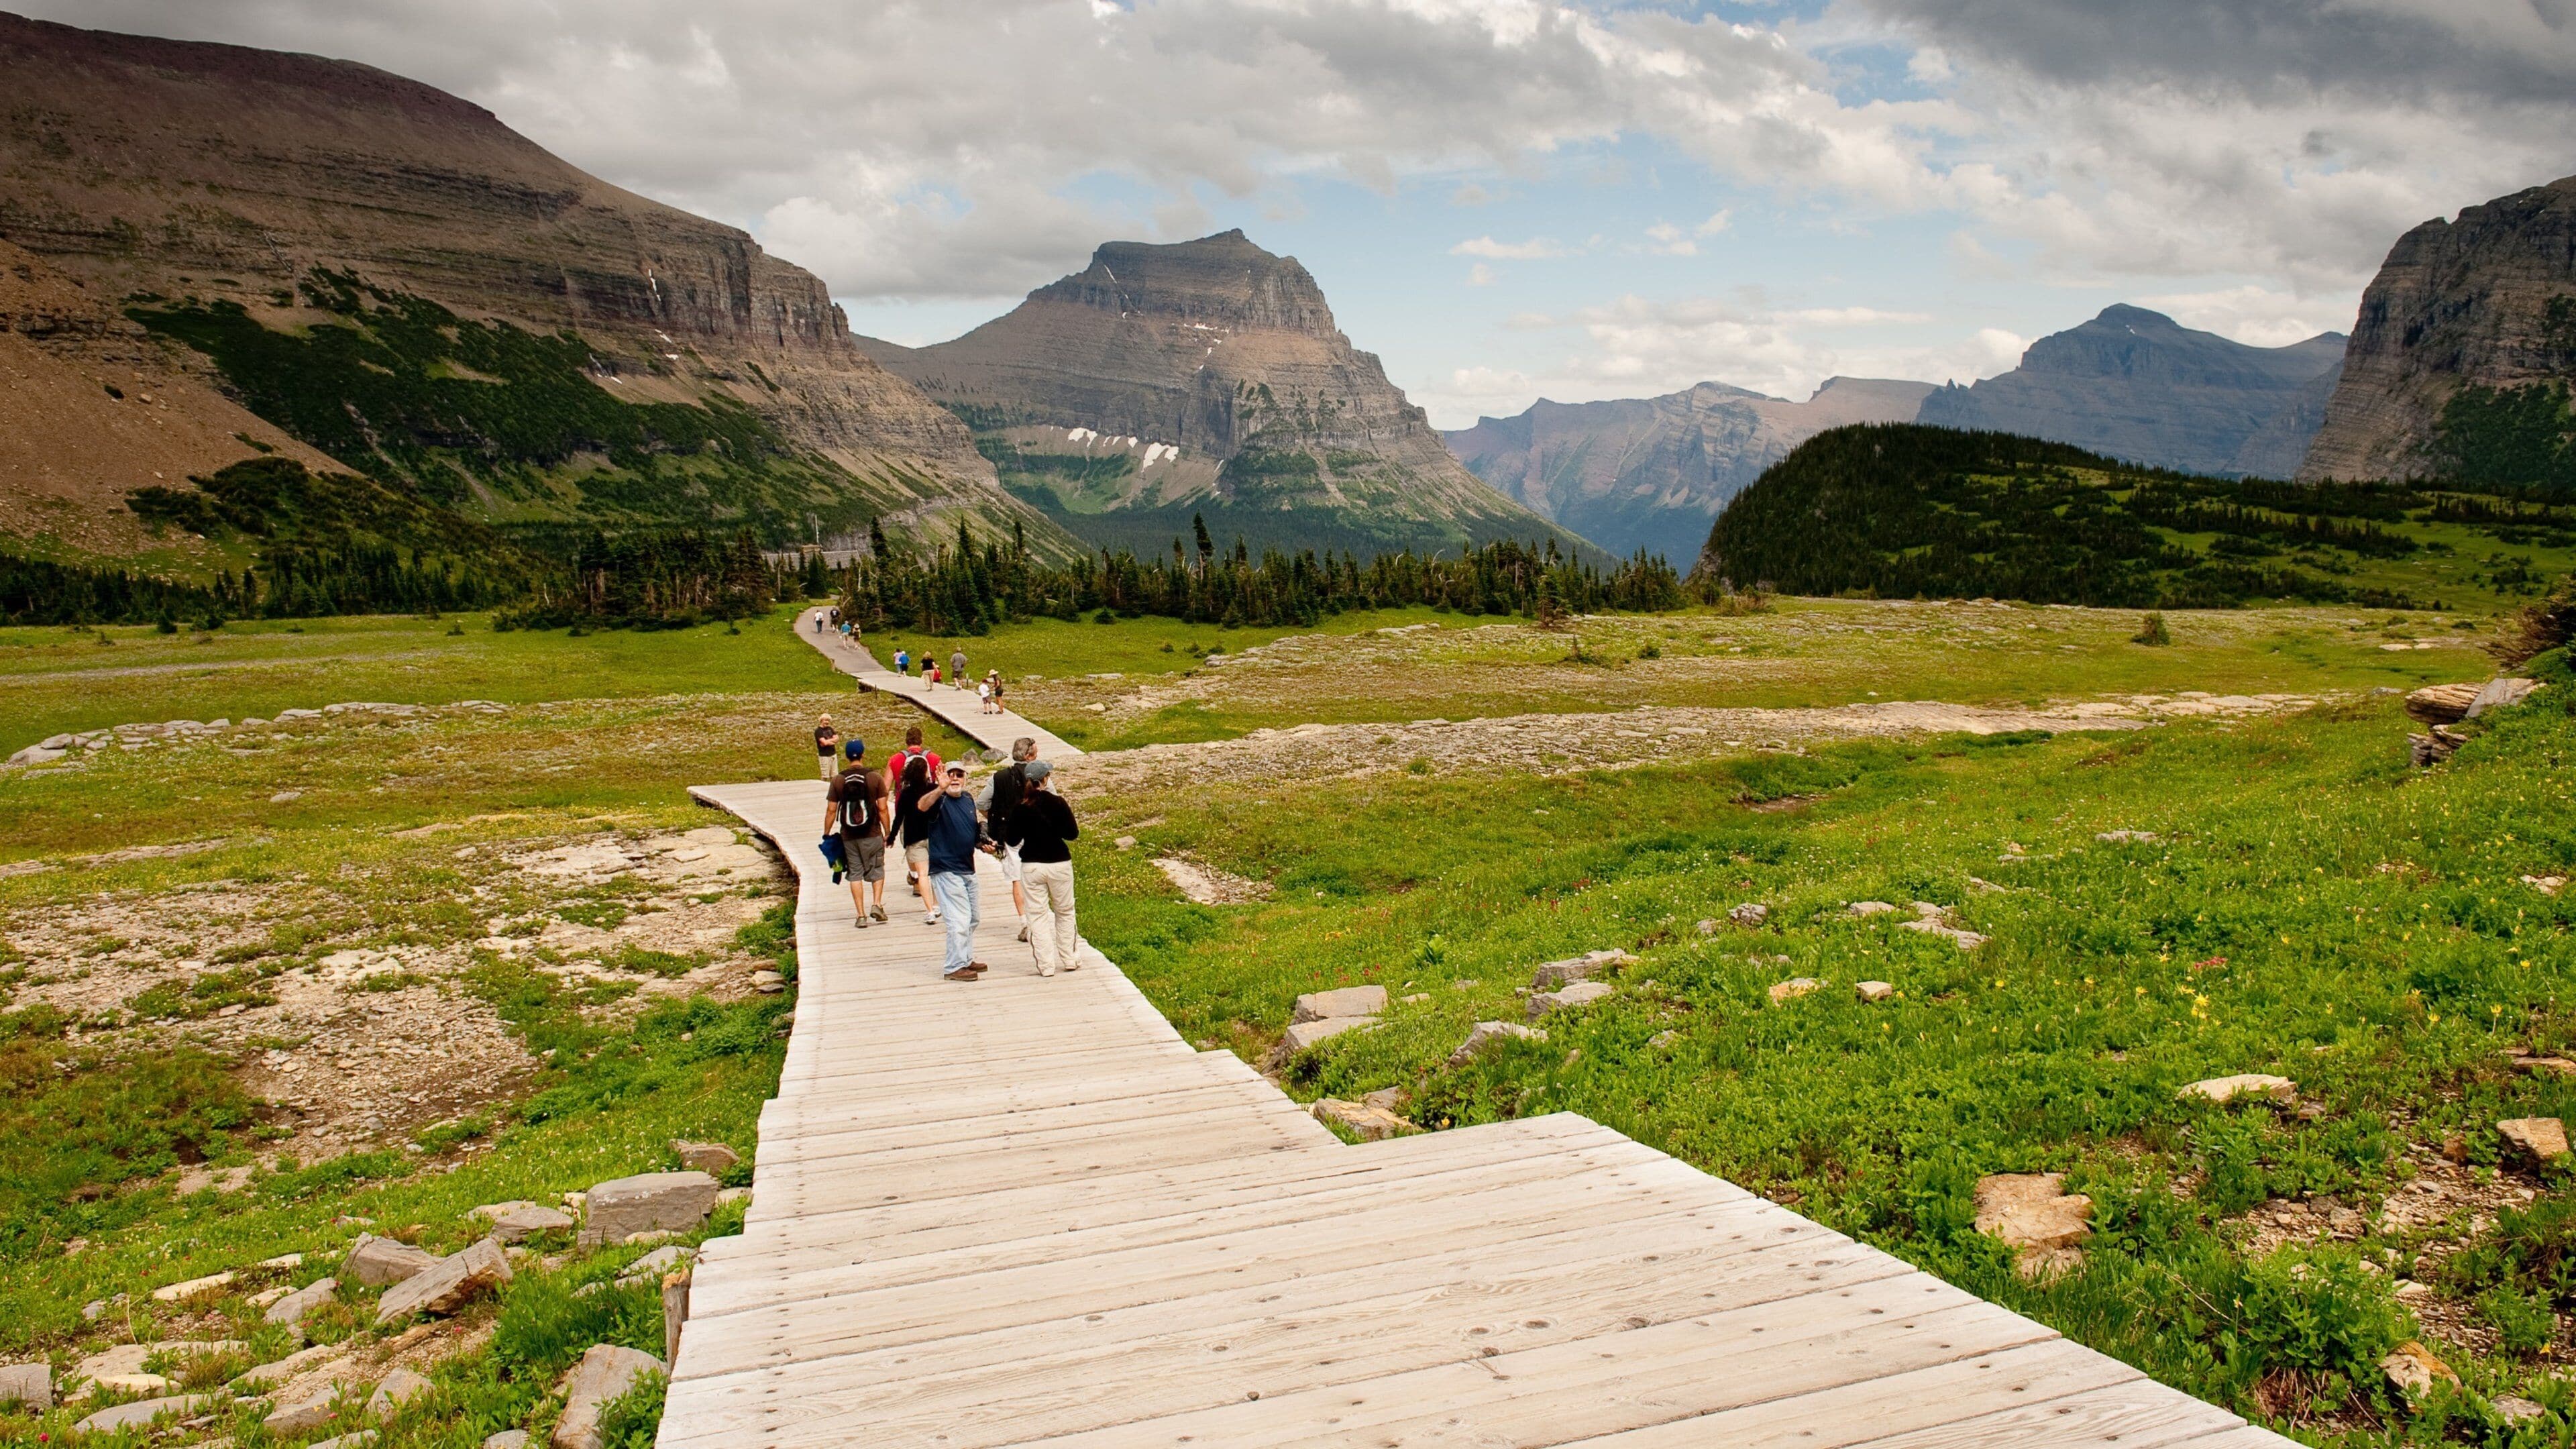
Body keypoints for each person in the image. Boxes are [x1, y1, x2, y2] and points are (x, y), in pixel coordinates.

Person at [914, 760, 989, 980]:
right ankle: (953, 967)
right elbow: (922, 806)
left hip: (967, 867)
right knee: (959, 919)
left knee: (973, 918)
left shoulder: (967, 799)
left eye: (959, 775)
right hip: (946, 868)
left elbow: (971, 831)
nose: (955, 778)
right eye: (951, 774)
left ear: (966, 778)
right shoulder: (940, 800)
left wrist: (982, 843)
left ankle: (965, 958)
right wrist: (940, 788)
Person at [1004, 759, 1081, 976]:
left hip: (1032, 865)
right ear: (1045, 780)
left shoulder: (1021, 808)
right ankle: (1070, 958)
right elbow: (1072, 834)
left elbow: (1011, 839)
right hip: (1059, 863)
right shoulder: (1058, 803)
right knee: (1065, 911)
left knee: (1037, 915)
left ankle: (1046, 965)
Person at [822, 739, 889, 926]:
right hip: (873, 833)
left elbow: (831, 810)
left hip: (849, 836)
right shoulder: (874, 778)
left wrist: (826, 834)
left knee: (855, 873)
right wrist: (888, 831)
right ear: (863, 754)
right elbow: (883, 808)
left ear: (845, 756)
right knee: (877, 869)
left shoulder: (838, 780)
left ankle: (860, 916)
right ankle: (876, 904)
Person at [982, 737, 1036, 936]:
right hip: (1035, 832)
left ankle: (1024, 923)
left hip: (1010, 834)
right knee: (1037, 876)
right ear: (1029, 756)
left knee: (1017, 879)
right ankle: (1037, 920)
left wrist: (994, 819)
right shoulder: (1038, 775)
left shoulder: (999, 777)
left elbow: (982, 802)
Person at [891, 749, 942, 924]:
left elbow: (899, 818)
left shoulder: (906, 794)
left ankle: (929, 911)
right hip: (934, 836)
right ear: (926, 772)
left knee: (922, 875)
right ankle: (937, 905)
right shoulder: (934, 789)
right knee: (935, 873)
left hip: (915, 838)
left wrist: (891, 837)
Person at [812, 714, 840, 782]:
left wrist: (828, 742)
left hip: (833, 754)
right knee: (825, 776)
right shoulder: (818, 731)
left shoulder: (830, 729)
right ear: (821, 720)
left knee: (835, 775)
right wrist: (830, 742)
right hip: (824, 756)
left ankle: (833, 789)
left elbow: (837, 738)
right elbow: (824, 743)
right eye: (826, 720)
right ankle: (821, 787)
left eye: (828, 721)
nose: (827, 722)